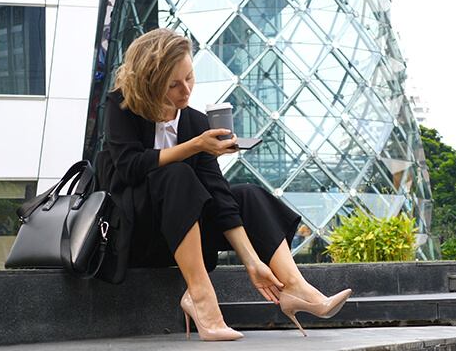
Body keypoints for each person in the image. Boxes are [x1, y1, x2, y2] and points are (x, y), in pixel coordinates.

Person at [103, 28, 351, 341]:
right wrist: (194, 146)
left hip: (185, 238)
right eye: (173, 84)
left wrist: (252, 262)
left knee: (245, 194)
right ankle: (201, 296)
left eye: (190, 78)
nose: (186, 90)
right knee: (177, 175)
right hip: (138, 233)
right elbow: (129, 167)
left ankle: (295, 288)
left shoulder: (193, 121)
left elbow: (217, 193)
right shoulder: (122, 107)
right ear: (150, 83)